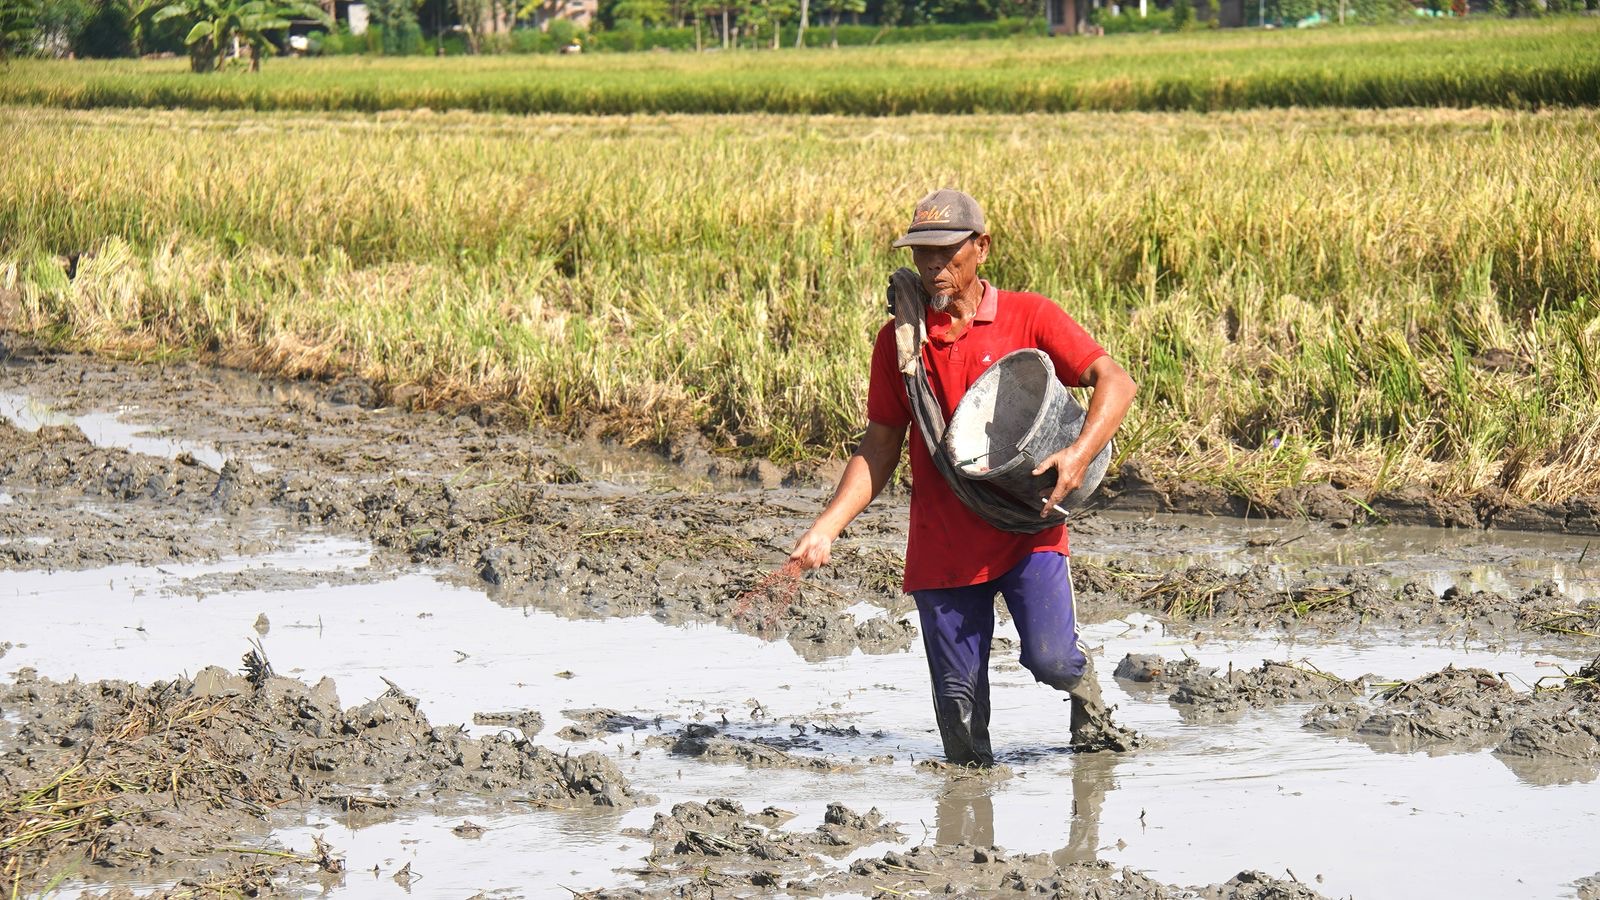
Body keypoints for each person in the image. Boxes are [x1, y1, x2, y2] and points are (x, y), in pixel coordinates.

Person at [789, 189, 1139, 765]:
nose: (933, 266)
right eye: (922, 253)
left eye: (948, 252)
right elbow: (879, 447)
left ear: (982, 248)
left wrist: (1077, 454)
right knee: (958, 710)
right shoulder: (900, 345)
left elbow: (1115, 381)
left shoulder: (1029, 316)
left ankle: (1089, 705)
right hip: (944, 543)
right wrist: (827, 528)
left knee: (1052, 659)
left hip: (1029, 530)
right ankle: (966, 831)